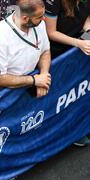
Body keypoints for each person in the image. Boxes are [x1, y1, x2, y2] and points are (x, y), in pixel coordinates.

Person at [44, 0, 90, 146]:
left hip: (80, 43)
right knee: (62, 95)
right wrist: (77, 43)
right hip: (58, 52)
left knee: (80, 89)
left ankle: (81, 126)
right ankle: (69, 132)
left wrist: (87, 28)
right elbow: (50, 32)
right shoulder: (54, 2)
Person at [0, 0, 51, 98]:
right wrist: (34, 80)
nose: (43, 19)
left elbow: (45, 51)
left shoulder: (40, 24)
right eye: (39, 17)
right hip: (6, 94)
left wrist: (44, 76)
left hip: (30, 85)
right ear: (25, 18)